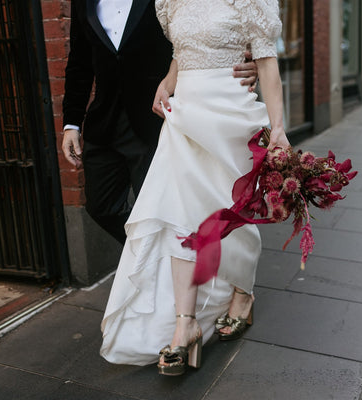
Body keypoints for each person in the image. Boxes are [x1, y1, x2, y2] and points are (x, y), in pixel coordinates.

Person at [100, 0, 290, 376]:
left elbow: (268, 65)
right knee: (180, 216)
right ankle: (184, 323)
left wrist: (278, 127)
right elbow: (179, 53)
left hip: (230, 116)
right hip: (183, 115)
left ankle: (242, 292)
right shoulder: (172, 1)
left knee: (230, 215)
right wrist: (169, 81)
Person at [61, 0, 259, 245]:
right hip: (105, 121)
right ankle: (149, 257)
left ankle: (167, 268)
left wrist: (245, 61)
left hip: (156, 119)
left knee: (161, 210)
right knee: (101, 207)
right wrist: (71, 123)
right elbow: (80, 60)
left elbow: (199, 33)